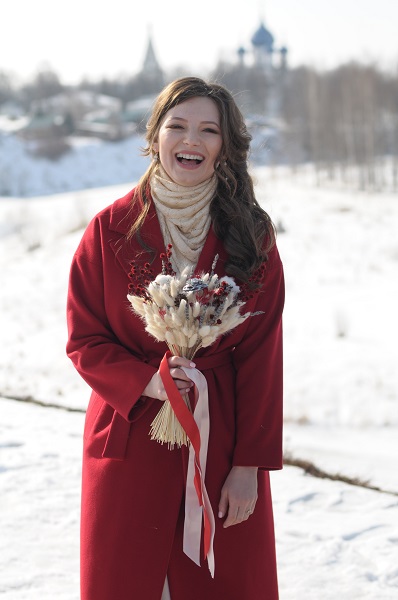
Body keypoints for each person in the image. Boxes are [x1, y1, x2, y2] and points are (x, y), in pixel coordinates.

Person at [66, 76, 284, 600]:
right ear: (155, 136)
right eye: (177, 126)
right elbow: (85, 341)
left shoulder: (251, 237)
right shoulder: (108, 229)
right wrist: (150, 383)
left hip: (222, 442)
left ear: (225, 147)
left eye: (209, 130)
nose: (192, 140)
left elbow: (262, 357)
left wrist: (248, 467)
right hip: (129, 438)